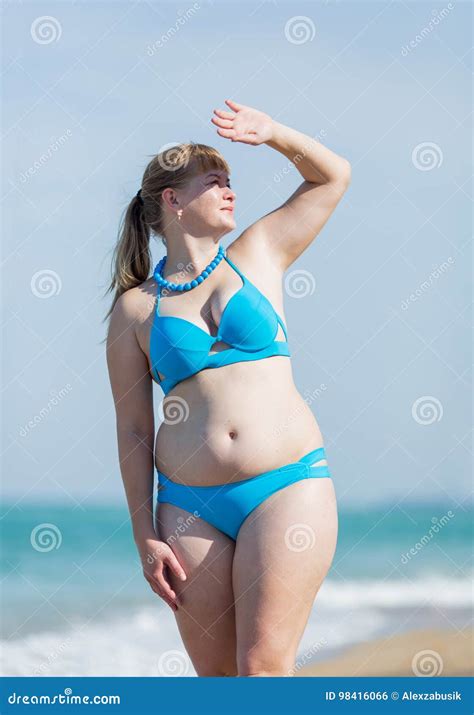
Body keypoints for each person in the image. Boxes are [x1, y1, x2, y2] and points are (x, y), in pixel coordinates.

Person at [105, 99, 351, 677]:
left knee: (263, 668)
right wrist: (145, 534)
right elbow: (134, 428)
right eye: (214, 182)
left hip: (286, 485)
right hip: (189, 508)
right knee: (217, 684)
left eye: (231, 180)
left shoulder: (259, 253)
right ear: (173, 200)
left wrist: (273, 134)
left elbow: (333, 175)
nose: (230, 191)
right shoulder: (135, 309)